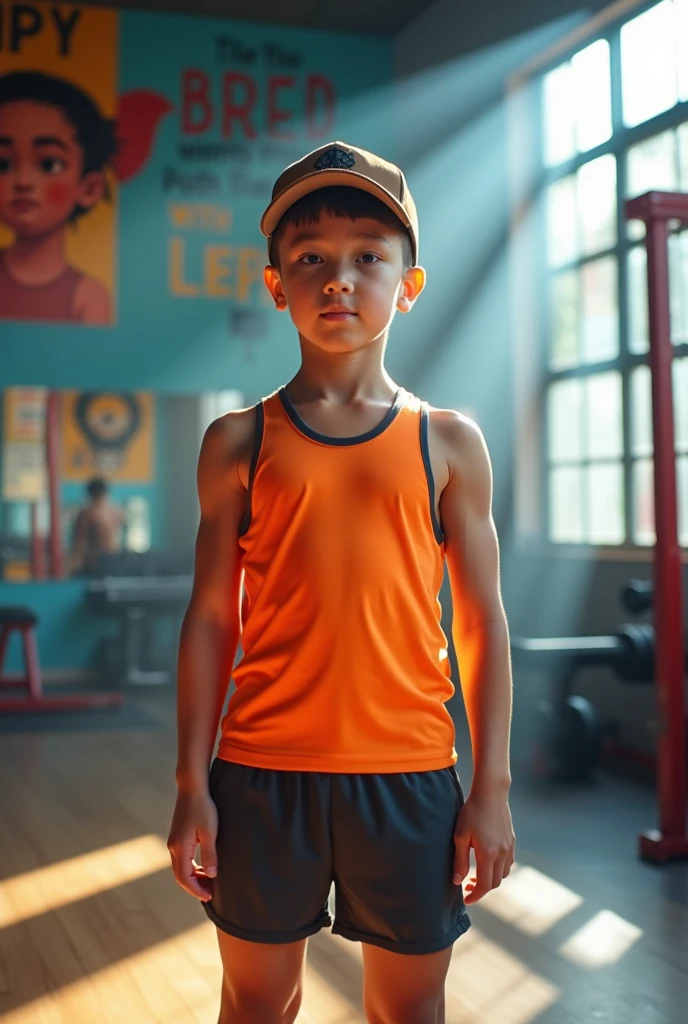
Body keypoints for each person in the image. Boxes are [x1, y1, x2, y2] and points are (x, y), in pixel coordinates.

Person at [167, 141, 516, 1024]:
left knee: (408, 1011)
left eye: (369, 256)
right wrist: (189, 786)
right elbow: (211, 618)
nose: (339, 279)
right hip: (260, 774)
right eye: (311, 259)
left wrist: (492, 790)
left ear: (410, 282)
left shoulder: (450, 443)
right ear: (276, 284)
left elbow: (481, 624)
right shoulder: (236, 443)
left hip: (408, 777)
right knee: (255, 1005)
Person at [0, 71, 117, 324]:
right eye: (4, 165)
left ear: (89, 189)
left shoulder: (87, 298)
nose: (23, 182)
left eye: (49, 165)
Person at [69, 477, 125, 575]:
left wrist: (71, 566)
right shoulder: (117, 511)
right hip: (115, 559)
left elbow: (79, 543)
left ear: (89, 494)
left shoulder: (88, 512)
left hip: (95, 562)